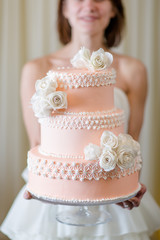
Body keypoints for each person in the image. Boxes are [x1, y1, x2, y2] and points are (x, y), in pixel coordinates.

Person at [1, 0, 160, 239]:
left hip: (111, 194)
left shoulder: (133, 70)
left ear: (114, 9)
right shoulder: (37, 69)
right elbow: (37, 142)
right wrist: (46, 186)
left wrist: (129, 187)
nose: (89, 5)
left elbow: (132, 142)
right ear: (64, 8)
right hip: (53, 197)